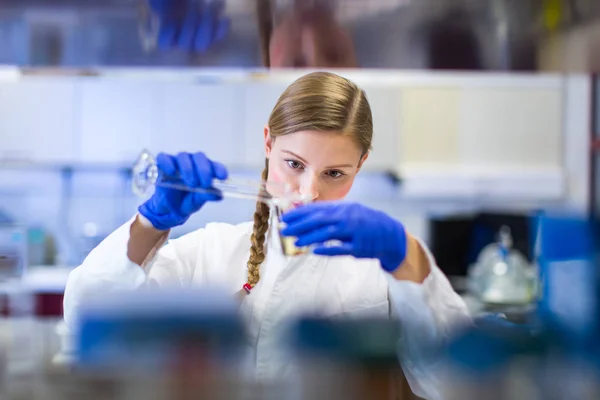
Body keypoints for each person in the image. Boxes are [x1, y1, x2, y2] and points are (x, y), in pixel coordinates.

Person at [63, 71, 471, 399]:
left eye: (334, 174)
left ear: (360, 165)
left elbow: (452, 381)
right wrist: (151, 223)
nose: (309, 192)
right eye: (294, 164)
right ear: (267, 143)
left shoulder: (378, 266)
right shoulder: (213, 251)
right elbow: (87, 314)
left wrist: (408, 258)